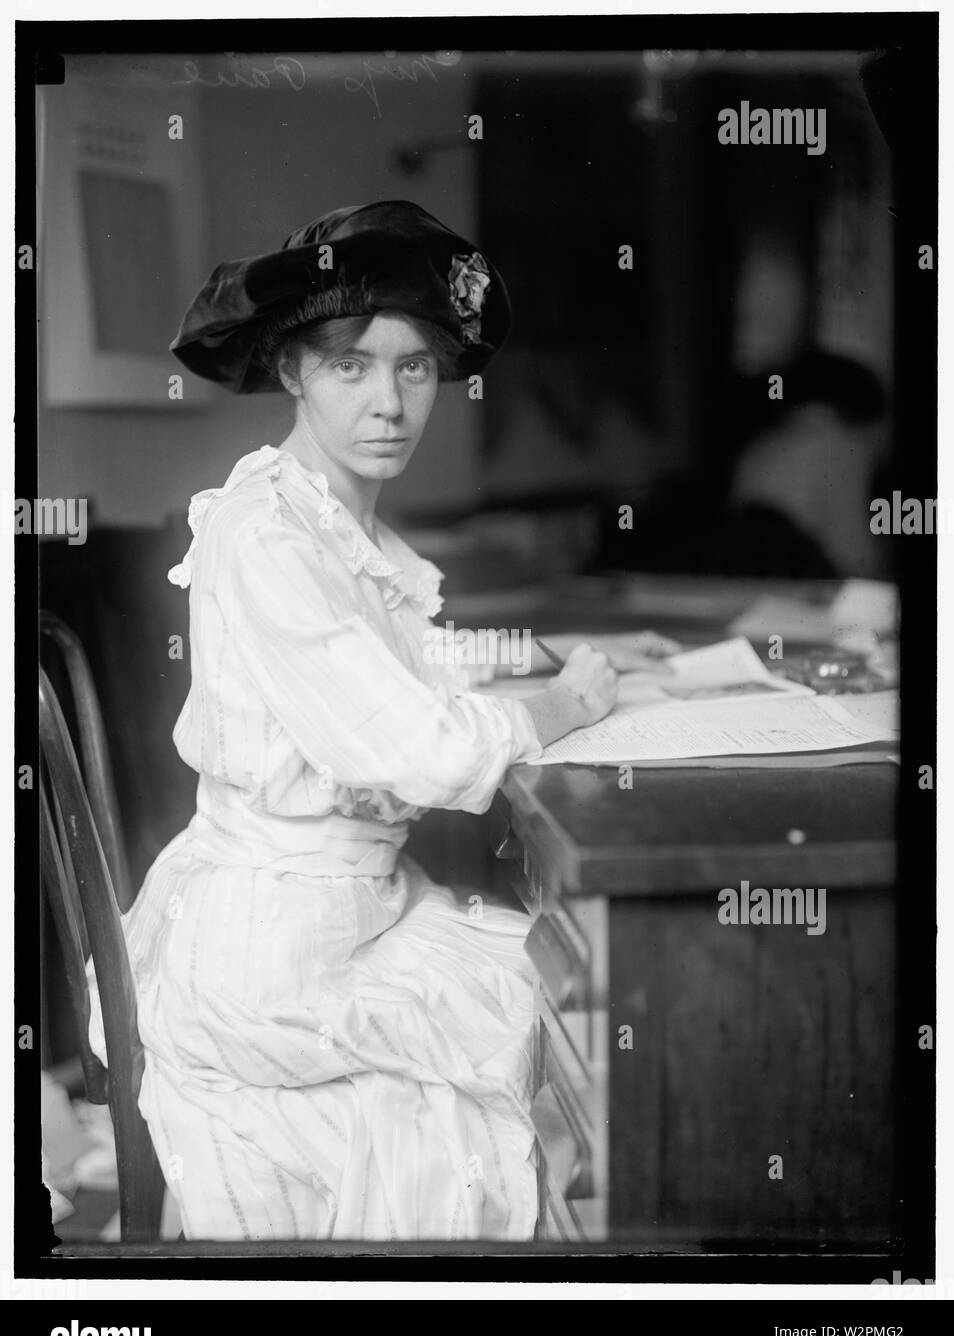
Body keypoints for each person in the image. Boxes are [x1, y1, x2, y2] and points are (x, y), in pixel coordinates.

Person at [87, 201, 626, 1242]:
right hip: (271, 958)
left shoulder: (334, 525)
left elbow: (400, 679)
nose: (390, 402)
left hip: (354, 915)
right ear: (293, 371)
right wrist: (558, 707)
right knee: (567, 1018)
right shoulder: (267, 537)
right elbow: (413, 744)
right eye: (351, 367)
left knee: (573, 991)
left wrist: (522, 673)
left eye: (415, 367)